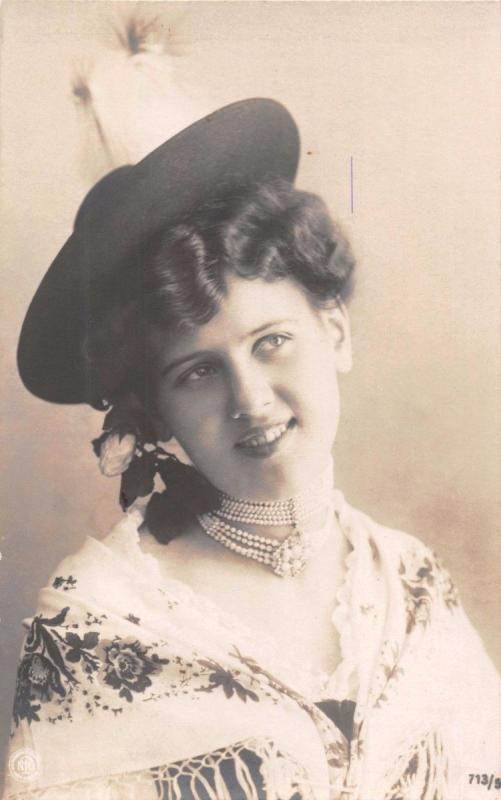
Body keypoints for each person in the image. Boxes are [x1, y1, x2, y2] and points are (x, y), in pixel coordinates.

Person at [4, 99, 499, 800]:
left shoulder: (409, 582)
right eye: (197, 372)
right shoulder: (95, 624)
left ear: (334, 332)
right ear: (155, 412)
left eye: (271, 343)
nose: (251, 399)